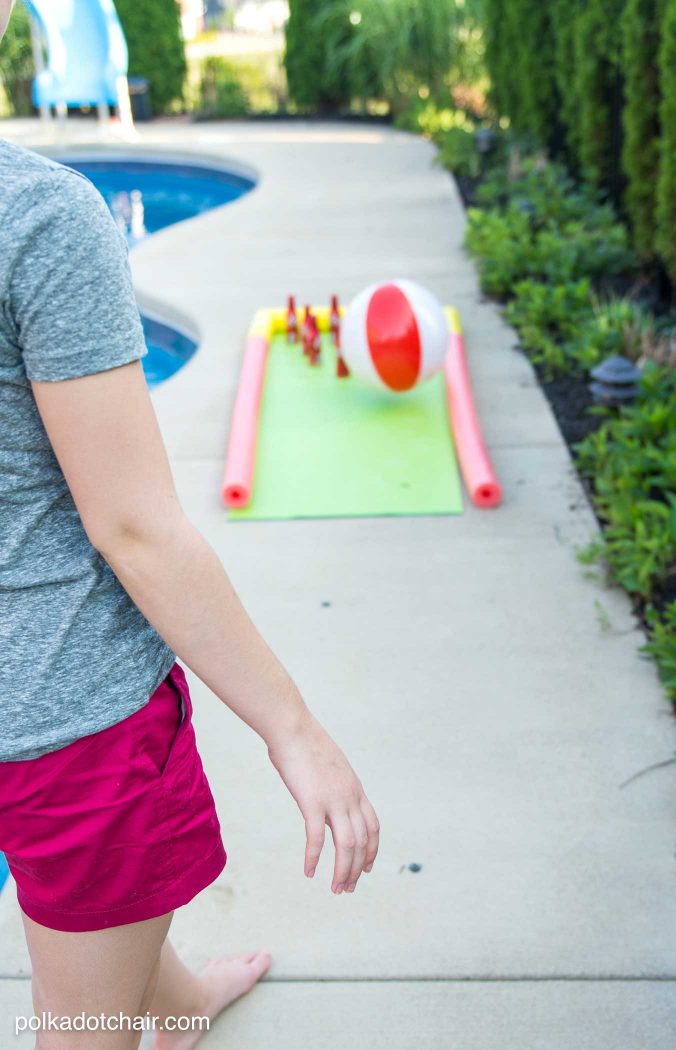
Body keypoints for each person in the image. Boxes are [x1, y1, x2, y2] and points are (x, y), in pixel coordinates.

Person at [0, 2, 380, 1046]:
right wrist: (293, 730)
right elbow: (134, 528)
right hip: (64, 728)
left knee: (106, 943)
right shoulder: (35, 219)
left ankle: (183, 1004)